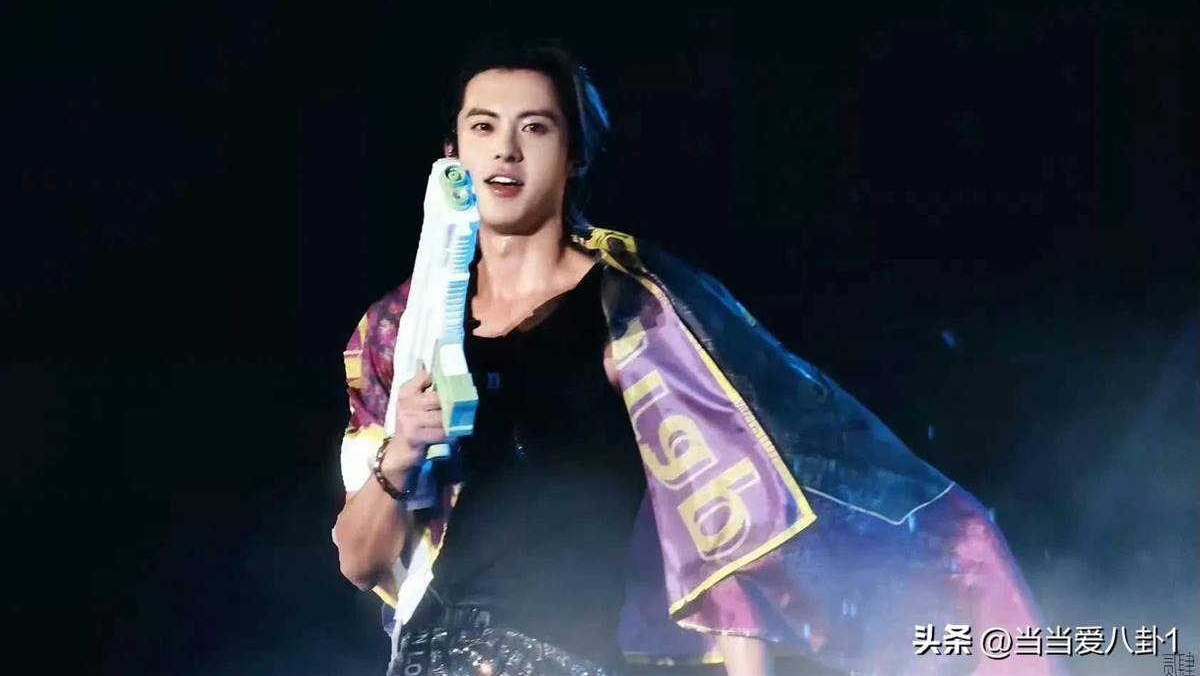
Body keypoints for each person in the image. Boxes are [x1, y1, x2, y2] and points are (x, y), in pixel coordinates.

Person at [333, 37, 1059, 676]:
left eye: (536, 127)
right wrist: (402, 455)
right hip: (428, 657)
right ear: (452, 155)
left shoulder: (636, 312)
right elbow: (360, 561)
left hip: (562, 654)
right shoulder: (403, 329)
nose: (506, 150)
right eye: (483, 127)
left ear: (575, 154)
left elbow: (731, 529)